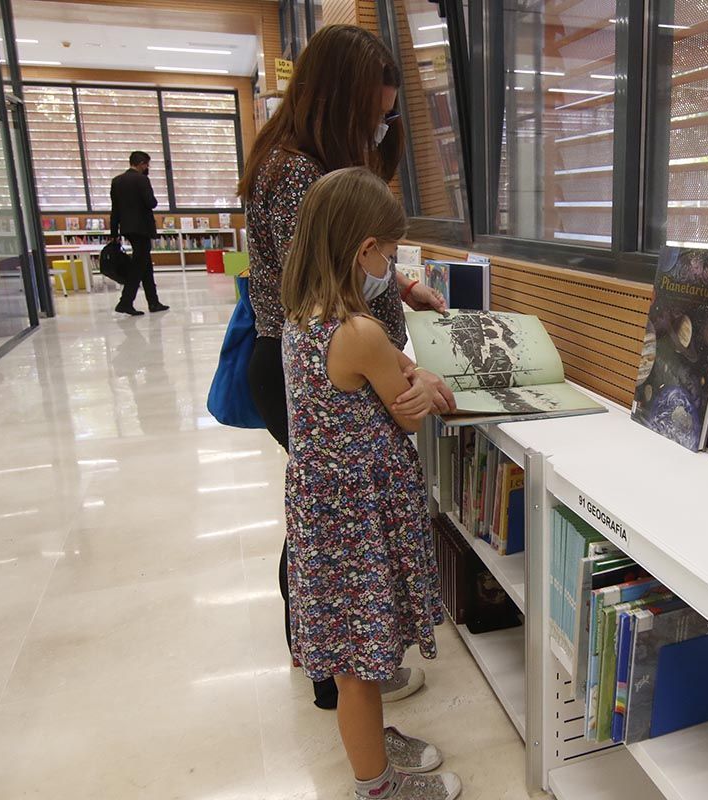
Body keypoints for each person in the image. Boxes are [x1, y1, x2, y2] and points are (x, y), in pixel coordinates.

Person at [239, 23, 456, 710]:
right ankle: (337, 667)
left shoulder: (296, 161)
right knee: (333, 532)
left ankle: (340, 657)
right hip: (321, 374)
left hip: (334, 368)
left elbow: (349, 273)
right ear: (338, 101)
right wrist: (405, 373)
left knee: (329, 527)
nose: (382, 125)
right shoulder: (298, 174)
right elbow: (331, 282)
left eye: (390, 114)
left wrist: (403, 289)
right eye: (374, 113)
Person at [281, 166, 460, 800]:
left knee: (357, 652)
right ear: (365, 250)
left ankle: (371, 742)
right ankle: (377, 788)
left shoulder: (306, 315)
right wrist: (426, 383)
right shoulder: (359, 332)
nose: (391, 264)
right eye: (390, 251)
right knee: (360, 665)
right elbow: (414, 409)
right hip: (356, 522)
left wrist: (409, 373)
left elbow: (396, 372)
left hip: (325, 513)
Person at [110, 151, 168, 315]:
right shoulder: (142, 180)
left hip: (127, 229)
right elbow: (151, 203)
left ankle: (153, 302)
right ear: (141, 163)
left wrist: (114, 233)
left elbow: (115, 210)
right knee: (138, 266)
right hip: (142, 228)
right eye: (147, 164)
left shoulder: (117, 181)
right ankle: (125, 302)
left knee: (145, 264)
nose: (147, 167)